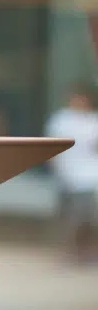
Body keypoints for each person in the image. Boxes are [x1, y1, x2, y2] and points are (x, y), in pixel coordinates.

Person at [46, 83, 98, 263]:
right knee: (69, 217)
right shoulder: (61, 119)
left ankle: (87, 251)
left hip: (89, 177)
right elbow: (52, 147)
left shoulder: (93, 121)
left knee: (86, 216)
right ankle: (70, 251)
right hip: (67, 175)